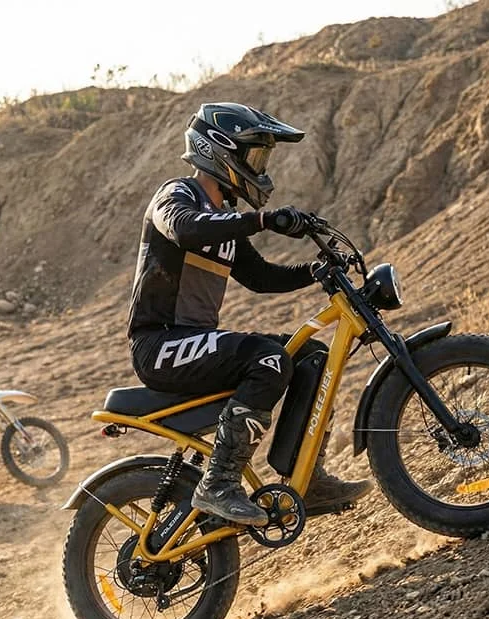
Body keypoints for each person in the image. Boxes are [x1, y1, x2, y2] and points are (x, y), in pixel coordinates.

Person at [127, 102, 373, 527]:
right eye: (254, 155)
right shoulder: (176, 196)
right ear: (220, 151)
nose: (260, 167)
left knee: (310, 355)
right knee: (268, 358)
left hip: (191, 344)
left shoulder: (224, 218)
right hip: (160, 345)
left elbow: (259, 277)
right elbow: (185, 227)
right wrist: (260, 219)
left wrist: (315, 272)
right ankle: (218, 483)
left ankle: (305, 479)